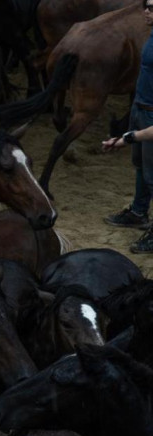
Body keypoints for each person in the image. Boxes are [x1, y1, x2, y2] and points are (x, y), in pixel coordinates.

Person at [102, 0, 153, 252]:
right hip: (141, 109)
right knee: (141, 167)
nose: (146, 11)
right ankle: (138, 212)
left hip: (151, 118)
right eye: (146, 6)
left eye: (152, 8)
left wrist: (130, 136)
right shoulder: (151, 34)